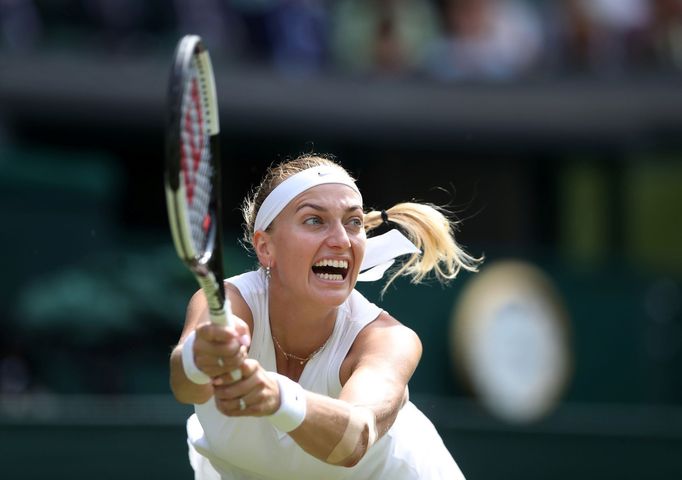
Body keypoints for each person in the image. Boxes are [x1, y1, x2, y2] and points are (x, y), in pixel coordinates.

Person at [169, 154, 481, 479]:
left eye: (354, 222)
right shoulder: (228, 302)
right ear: (265, 247)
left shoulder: (386, 338)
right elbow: (187, 387)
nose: (342, 241)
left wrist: (277, 396)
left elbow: (354, 439)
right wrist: (201, 354)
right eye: (314, 220)